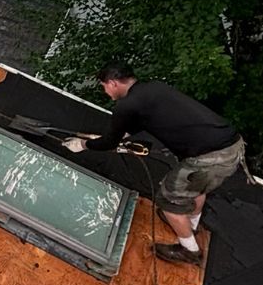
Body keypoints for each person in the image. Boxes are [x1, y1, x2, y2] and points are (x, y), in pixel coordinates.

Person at [65, 63, 245, 266]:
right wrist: (116, 135)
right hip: (232, 146)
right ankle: (191, 225)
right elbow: (138, 123)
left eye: (104, 87)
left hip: (209, 158)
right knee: (197, 186)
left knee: (168, 201)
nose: (105, 92)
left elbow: (110, 143)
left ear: (113, 83)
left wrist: (83, 144)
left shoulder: (125, 106)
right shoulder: (154, 88)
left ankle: (190, 251)